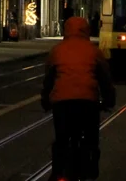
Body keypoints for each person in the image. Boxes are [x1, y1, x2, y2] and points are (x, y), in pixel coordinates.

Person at [41, 15, 116, 181]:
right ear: (86, 31)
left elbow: (48, 80)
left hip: (62, 104)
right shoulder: (94, 51)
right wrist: (109, 100)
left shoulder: (57, 51)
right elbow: (105, 80)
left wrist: (45, 101)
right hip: (88, 103)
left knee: (61, 139)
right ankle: (90, 169)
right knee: (90, 139)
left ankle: (58, 171)